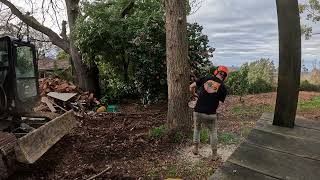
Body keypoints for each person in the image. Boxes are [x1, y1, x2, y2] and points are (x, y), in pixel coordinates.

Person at [189, 66, 228, 158]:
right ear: (225, 77)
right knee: (213, 132)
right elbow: (220, 103)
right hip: (211, 113)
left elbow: (191, 86)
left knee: (197, 129)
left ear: (216, 72)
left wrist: (194, 94)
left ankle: (195, 149)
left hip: (198, 111)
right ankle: (214, 154)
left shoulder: (206, 78)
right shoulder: (223, 87)